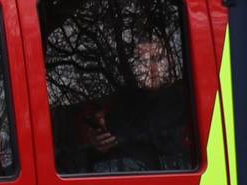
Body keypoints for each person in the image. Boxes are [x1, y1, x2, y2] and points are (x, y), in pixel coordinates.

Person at [65, 33, 193, 174]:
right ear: (133, 67)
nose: (152, 69)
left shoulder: (190, 98)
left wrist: (122, 138)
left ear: (171, 61)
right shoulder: (124, 104)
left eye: (158, 59)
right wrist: (99, 141)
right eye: (142, 62)